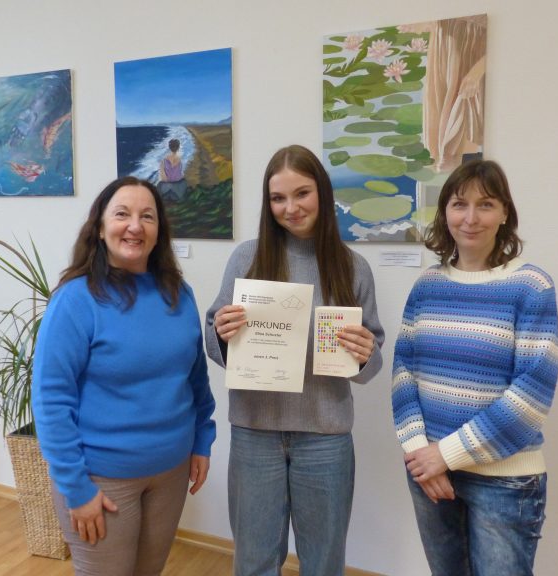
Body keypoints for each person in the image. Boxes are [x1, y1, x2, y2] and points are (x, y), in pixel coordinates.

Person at [205, 144, 385, 576]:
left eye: (301, 194)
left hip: (326, 436)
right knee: (254, 559)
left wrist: (364, 355)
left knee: (323, 561)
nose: (290, 208)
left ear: (322, 193)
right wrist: (222, 334)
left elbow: (373, 358)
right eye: (278, 198)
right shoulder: (246, 257)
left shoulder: (352, 266)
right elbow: (212, 338)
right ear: (267, 204)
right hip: (254, 433)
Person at [32, 176, 216, 576]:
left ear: (158, 232)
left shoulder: (178, 294)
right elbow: (50, 400)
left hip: (170, 472)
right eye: (122, 214)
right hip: (102, 479)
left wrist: (203, 438)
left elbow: (195, 377)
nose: (135, 226)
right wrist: (76, 489)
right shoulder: (75, 300)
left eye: (147, 216)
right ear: (100, 227)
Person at [391, 159, 558, 576]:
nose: (470, 218)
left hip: (503, 482)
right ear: (444, 212)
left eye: (485, 205)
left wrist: (443, 455)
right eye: (458, 204)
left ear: (505, 213)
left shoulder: (531, 286)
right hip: (428, 472)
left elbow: (531, 396)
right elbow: (402, 372)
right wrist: (418, 453)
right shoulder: (427, 285)